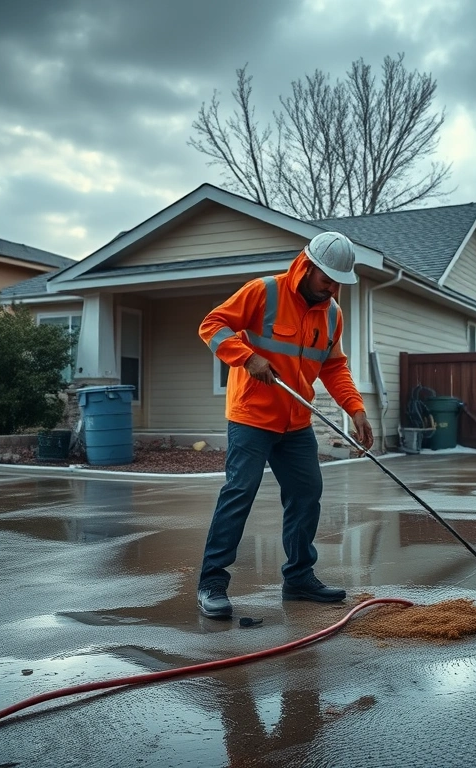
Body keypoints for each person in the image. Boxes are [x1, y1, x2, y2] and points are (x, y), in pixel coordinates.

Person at [195, 231, 374, 619]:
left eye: (338, 283)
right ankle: (212, 582)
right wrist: (246, 357)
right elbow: (212, 325)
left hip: (296, 422)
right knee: (239, 492)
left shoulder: (332, 314)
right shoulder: (264, 292)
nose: (331, 288)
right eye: (326, 279)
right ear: (307, 267)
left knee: (307, 494)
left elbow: (333, 366)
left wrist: (355, 408)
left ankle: (298, 578)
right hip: (252, 417)